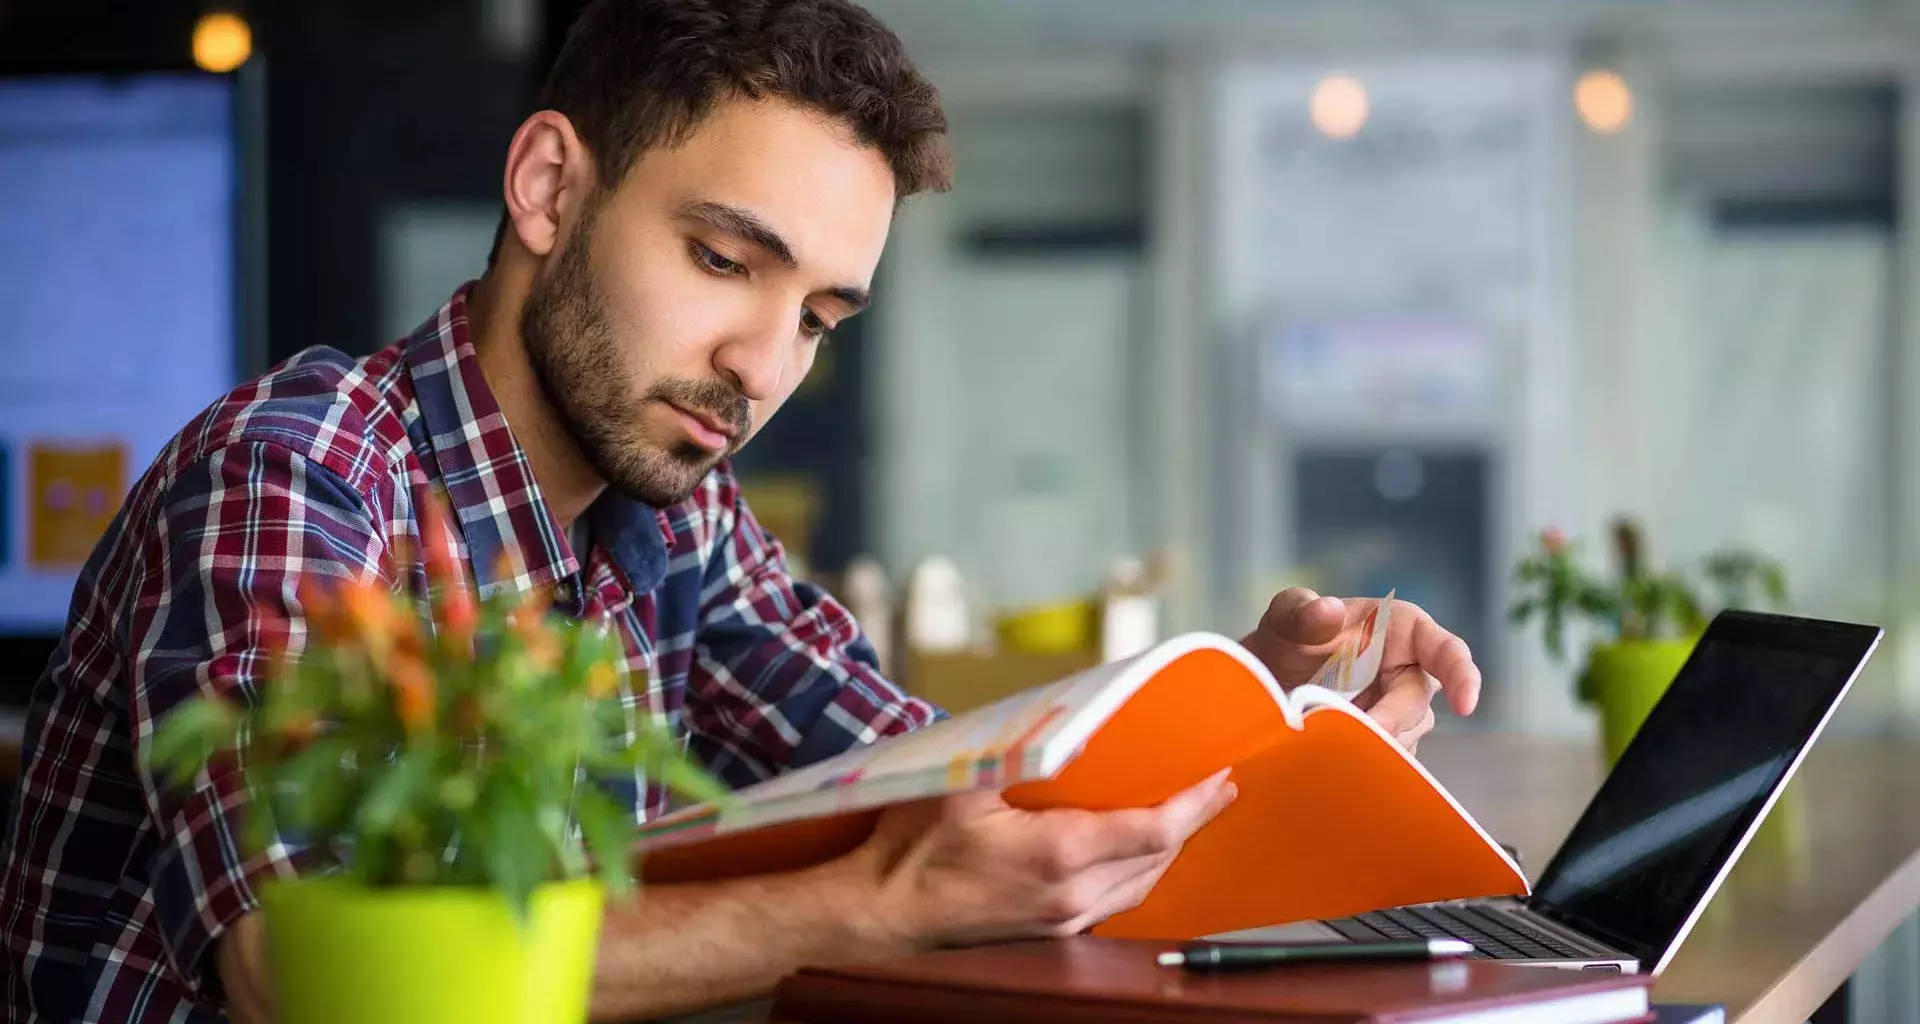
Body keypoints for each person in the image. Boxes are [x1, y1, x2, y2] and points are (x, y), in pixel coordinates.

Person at [0, 1, 1481, 1021]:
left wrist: (1251, 719)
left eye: (822, 318)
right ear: (546, 185)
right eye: (723, 261)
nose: (764, 369)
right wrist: (867, 910)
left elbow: (957, 793)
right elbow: (304, 972)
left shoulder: (674, 516)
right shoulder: (298, 477)